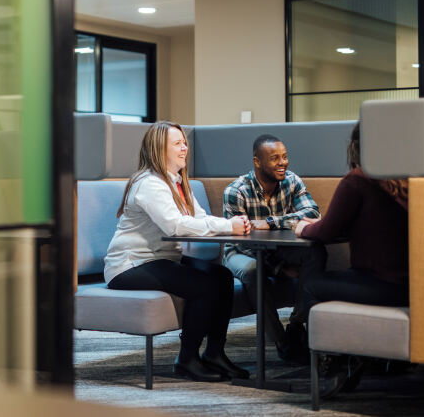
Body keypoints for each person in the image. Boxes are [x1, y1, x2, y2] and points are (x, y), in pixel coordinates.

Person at [105, 121, 252, 382]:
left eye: (185, 142)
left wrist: (231, 226)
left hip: (161, 260)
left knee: (222, 277)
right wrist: (229, 225)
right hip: (130, 265)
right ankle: (187, 359)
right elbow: (176, 226)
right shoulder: (149, 183)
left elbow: (199, 218)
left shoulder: (176, 182)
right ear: (159, 149)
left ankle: (214, 354)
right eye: (177, 143)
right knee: (203, 285)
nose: (185, 147)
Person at [294, 122, 410, 396]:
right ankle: (359, 356)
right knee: (337, 278)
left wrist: (303, 228)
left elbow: (325, 231)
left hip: (383, 284)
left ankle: (336, 362)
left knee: (311, 285)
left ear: (356, 146)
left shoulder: (358, 179)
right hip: (409, 285)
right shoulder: (404, 179)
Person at [222, 134, 325, 364]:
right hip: (240, 252)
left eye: (285, 157)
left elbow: (312, 213)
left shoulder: (292, 181)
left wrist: (271, 222)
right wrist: (279, 269)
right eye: (275, 158)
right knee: (252, 270)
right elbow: (242, 242)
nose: (283, 163)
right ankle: (282, 342)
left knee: (315, 251)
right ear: (257, 161)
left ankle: (297, 324)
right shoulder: (236, 191)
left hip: (278, 250)